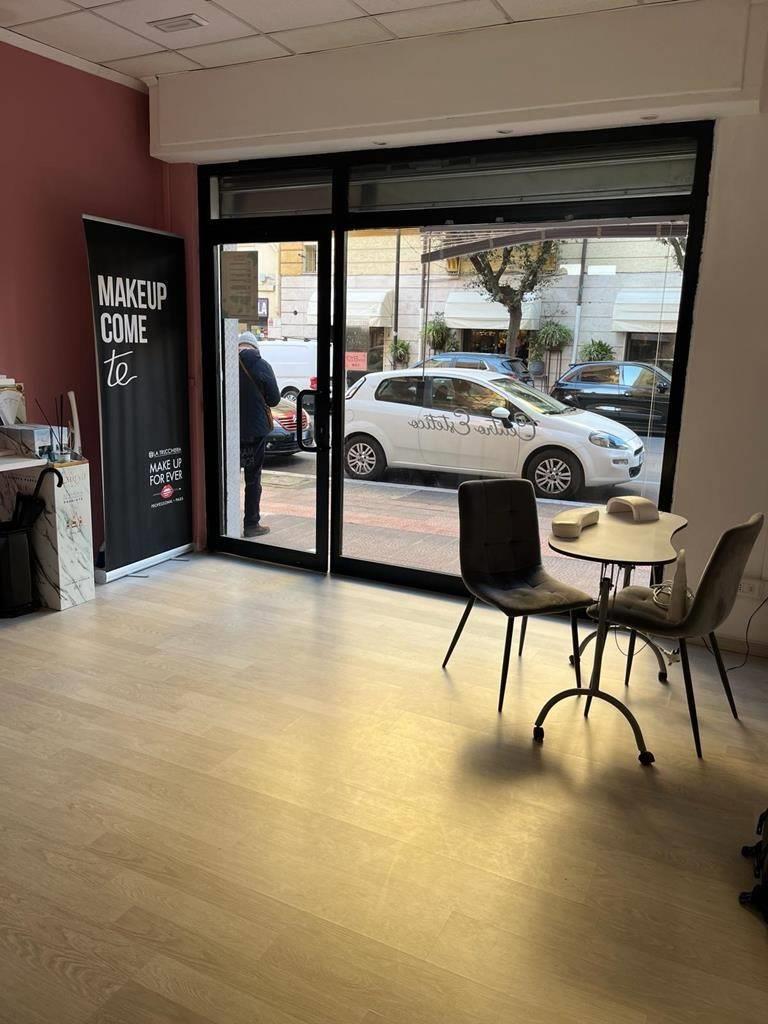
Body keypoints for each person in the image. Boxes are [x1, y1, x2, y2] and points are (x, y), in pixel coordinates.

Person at [238, 332, 280, 538]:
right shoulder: (262, 365)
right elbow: (274, 399)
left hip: (230, 430)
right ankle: (251, 524)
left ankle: (222, 523)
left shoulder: (226, 364)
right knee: (253, 478)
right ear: (255, 347)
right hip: (255, 432)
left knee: (225, 475)